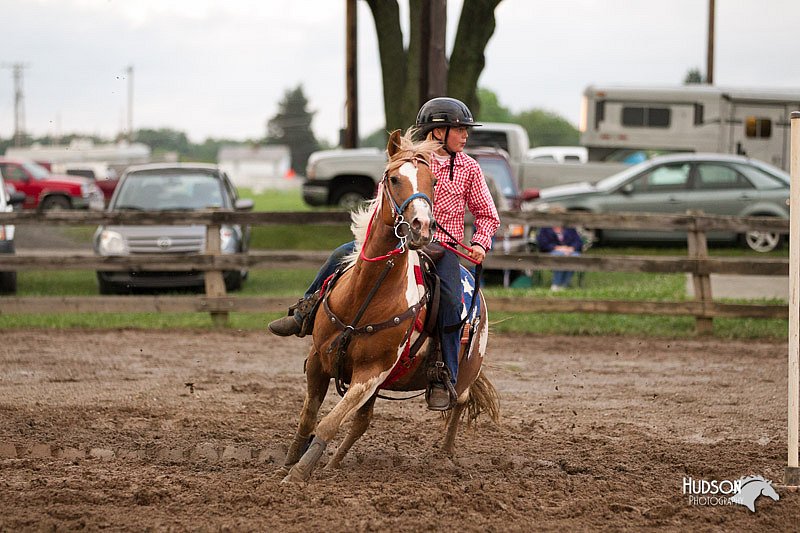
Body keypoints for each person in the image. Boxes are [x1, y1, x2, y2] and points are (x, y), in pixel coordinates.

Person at [268, 97, 500, 411]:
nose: (465, 134)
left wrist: (480, 244)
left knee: (451, 303)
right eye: (459, 128)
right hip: (397, 242)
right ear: (436, 132)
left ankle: (442, 372)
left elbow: (488, 215)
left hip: (442, 249)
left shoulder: (469, 169)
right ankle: (304, 312)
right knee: (340, 255)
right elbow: (384, 203)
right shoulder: (405, 163)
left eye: (464, 129)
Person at [536, 212, 583, 291]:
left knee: (575, 257)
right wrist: (558, 248)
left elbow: (578, 241)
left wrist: (571, 248)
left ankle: (564, 285)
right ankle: (556, 284)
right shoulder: (545, 228)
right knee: (560, 256)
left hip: (570, 252)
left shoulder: (569, 228)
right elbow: (543, 243)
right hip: (551, 252)